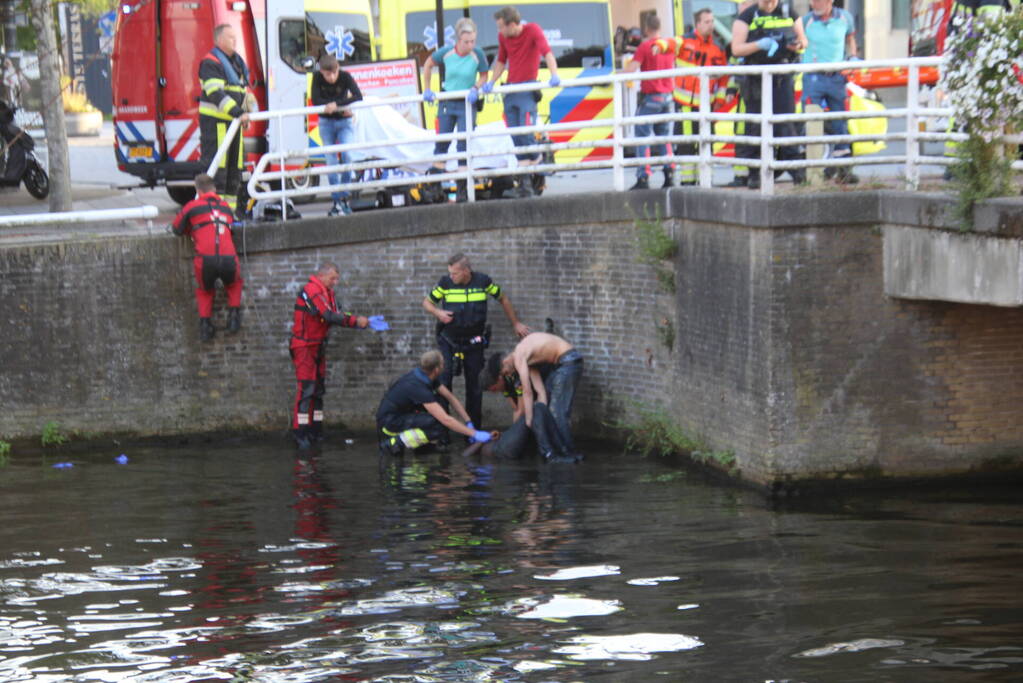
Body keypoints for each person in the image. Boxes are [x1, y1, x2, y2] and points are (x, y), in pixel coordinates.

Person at [422, 252, 530, 430]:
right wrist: (438, 313)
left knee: (475, 386)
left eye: (455, 273)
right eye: (450, 273)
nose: (451, 276)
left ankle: (473, 433)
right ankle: (442, 434)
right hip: (449, 342)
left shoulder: (483, 282)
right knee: (444, 383)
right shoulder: (445, 284)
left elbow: (503, 298)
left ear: (466, 271)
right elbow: (426, 302)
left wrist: (516, 323)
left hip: (474, 343)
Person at [482, 6, 561, 198]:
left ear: (512, 24)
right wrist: (492, 81)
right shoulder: (503, 38)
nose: (499, 31)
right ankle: (525, 184)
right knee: (516, 138)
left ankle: (541, 158)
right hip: (510, 90)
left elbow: (547, 52)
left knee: (525, 133)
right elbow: (501, 60)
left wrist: (554, 74)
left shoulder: (533, 30)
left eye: (501, 27)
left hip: (527, 90)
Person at [290, 262, 370, 449]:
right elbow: (328, 315)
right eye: (333, 278)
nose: (335, 282)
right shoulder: (312, 290)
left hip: (317, 345)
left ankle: (315, 431)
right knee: (306, 389)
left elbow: (338, 314)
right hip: (304, 346)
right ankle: (301, 433)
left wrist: (356, 321)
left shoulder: (328, 293)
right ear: (322, 275)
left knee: (318, 390)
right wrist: (356, 321)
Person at [731, 0, 808, 190]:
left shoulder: (788, 11)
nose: (771, 3)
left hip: (782, 76)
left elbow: (804, 40)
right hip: (756, 79)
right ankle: (755, 174)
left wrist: (797, 45)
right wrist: (759, 45)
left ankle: (795, 170)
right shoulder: (747, 16)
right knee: (756, 126)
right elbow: (737, 48)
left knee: (786, 124)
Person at [651, 9, 730, 187]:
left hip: (706, 105)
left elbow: (724, 78)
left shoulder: (718, 48)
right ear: (698, 24)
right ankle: (688, 181)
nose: (711, 25)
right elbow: (670, 43)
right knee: (687, 143)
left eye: (712, 21)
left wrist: (719, 100)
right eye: (707, 22)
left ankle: (706, 180)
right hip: (685, 104)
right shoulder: (685, 40)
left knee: (707, 143)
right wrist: (659, 46)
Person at [422, 17, 489, 201]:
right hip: (447, 101)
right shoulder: (446, 53)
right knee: (442, 142)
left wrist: (476, 87)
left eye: (473, 41)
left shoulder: (478, 54)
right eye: (467, 42)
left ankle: (462, 189)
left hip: (466, 103)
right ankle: (435, 186)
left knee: (463, 144)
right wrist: (427, 88)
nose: (470, 45)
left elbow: (484, 74)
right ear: (458, 40)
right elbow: (428, 64)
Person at [377, 350, 493, 456]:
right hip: (389, 422)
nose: (445, 365)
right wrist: (474, 434)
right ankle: (395, 442)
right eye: (443, 363)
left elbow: (450, 397)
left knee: (438, 408)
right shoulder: (418, 387)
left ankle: (422, 448)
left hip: (398, 415)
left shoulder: (424, 376)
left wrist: (468, 422)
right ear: (437, 369)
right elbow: (446, 420)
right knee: (438, 425)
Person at [171, 173, 243, 342]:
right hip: (228, 259)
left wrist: (193, 230)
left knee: (205, 290)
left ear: (198, 190)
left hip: (205, 261)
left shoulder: (191, 207)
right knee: (234, 284)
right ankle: (234, 316)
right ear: (214, 189)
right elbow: (230, 228)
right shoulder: (226, 207)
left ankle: (205, 325)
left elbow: (176, 229)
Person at [487, 332, 583, 459]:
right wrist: (539, 416)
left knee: (557, 413)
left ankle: (569, 453)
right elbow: (540, 391)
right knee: (548, 408)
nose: (509, 375)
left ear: (505, 362)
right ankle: (560, 450)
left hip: (568, 362)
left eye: (505, 372)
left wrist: (528, 420)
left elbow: (527, 391)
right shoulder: (528, 359)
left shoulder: (519, 357)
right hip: (564, 363)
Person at [800, 0, 859, 185]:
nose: (815, 4)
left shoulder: (844, 17)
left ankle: (844, 171)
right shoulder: (805, 21)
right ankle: (809, 172)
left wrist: (853, 57)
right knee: (810, 121)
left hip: (836, 77)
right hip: (813, 76)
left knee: (840, 122)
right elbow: (797, 42)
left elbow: (850, 39)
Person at [198, 24, 251, 215]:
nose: (234, 41)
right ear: (219, 40)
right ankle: (215, 215)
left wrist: (245, 110)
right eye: (230, 37)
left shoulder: (235, 62)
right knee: (217, 173)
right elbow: (215, 92)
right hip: (217, 125)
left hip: (234, 125)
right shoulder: (211, 63)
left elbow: (240, 91)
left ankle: (230, 215)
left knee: (234, 172)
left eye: (235, 37)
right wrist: (238, 112)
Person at [623, 14, 676, 191]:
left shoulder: (645, 47)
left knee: (642, 136)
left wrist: (620, 73)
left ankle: (643, 176)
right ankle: (669, 175)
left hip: (651, 97)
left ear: (646, 29)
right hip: (668, 97)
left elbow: (631, 69)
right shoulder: (668, 46)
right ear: (660, 28)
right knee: (664, 137)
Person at [310, 54, 363, 217]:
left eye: (334, 73)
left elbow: (358, 96)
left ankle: (344, 197)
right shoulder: (317, 77)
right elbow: (315, 99)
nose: (332, 77)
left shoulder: (345, 76)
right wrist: (328, 106)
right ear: (322, 72)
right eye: (328, 74)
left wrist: (337, 105)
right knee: (331, 162)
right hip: (326, 123)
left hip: (344, 122)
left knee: (347, 155)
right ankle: (336, 200)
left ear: (338, 68)